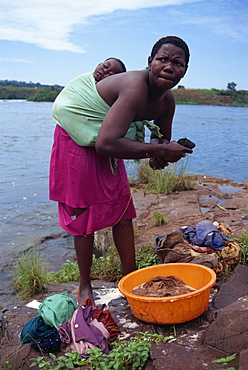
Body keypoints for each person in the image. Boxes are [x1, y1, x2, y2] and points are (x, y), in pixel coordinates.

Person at [50, 36, 193, 305]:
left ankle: (131, 277)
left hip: (111, 138)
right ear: (150, 62)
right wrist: (159, 151)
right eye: (163, 59)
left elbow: (158, 143)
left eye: (178, 63)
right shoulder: (135, 86)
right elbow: (105, 144)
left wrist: (164, 153)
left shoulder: (167, 101)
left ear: (185, 70)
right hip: (78, 137)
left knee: (122, 211)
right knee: (82, 213)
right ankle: (84, 286)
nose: (169, 67)